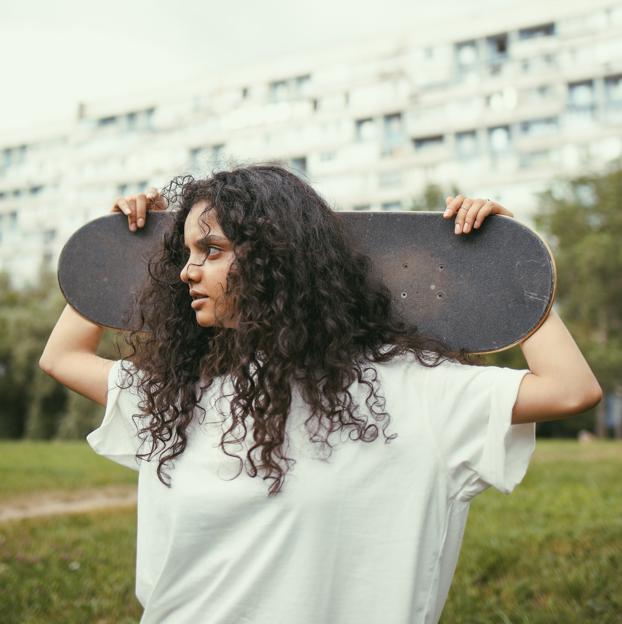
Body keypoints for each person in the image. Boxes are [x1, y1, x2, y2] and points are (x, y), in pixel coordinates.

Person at [39, 164, 602, 624]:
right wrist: (115, 252)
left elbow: (571, 390)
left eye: (211, 249)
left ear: (276, 257)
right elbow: (60, 358)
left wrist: (510, 268)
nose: (188, 271)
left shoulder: (410, 390)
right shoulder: (182, 391)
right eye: (184, 253)